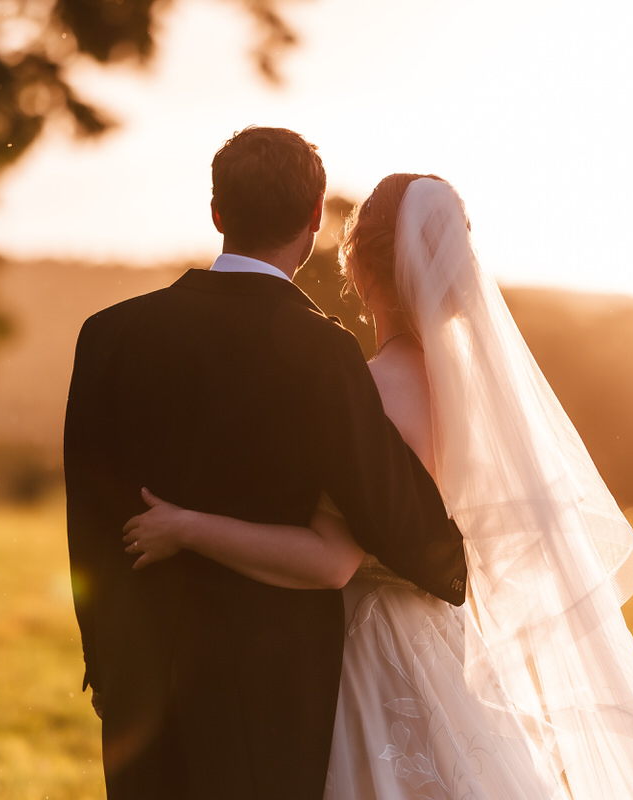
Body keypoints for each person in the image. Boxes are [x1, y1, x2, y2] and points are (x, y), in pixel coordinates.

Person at [123, 174, 633, 798]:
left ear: (362, 269)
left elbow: (331, 560)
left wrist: (186, 526)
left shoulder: (369, 390)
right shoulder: (479, 402)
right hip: (448, 646)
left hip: (364, 653)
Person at [64, 134, 467, 800]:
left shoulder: (108, 334)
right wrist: (447, 561)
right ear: (315, 216)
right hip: (271, 689)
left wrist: (106, 665)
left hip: (142, 676)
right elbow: (384, 504)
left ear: (217, 211)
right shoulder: (323, 351)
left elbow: (89, 515)